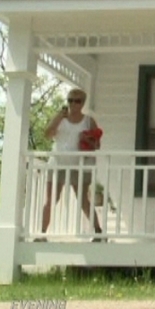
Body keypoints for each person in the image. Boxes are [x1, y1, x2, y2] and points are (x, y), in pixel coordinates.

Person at [39, 88, 103, 242]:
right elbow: (47, 134)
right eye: (70, 100)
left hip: (79, 164)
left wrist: (86, 139)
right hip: (57, 162)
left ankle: (98, 232)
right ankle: (41, 234)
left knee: (83, 200)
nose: (73, 104)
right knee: (51, 199)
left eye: (77, 101)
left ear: (83, 103)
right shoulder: (60, 118)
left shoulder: (88, 121)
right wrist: (59, 117)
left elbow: (97, 145)